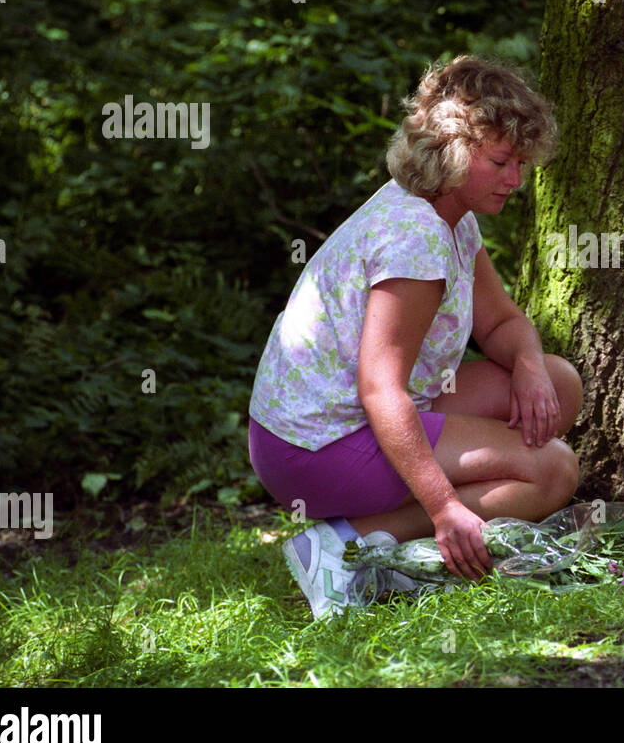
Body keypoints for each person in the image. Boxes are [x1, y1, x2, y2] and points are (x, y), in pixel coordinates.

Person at [247, 56, 582, 619]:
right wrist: (445, 505)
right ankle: (343, 547)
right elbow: (380, 388)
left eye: (521, 163)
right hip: (316, 445)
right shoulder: (415, 236)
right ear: (453, 151)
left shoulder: (453, 214)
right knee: (553, 471)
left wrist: (526, 363)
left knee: (556, 382)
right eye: (501, 161)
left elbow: (500, 324)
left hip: (355, 417)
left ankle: (368, 529)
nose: (515, 181)